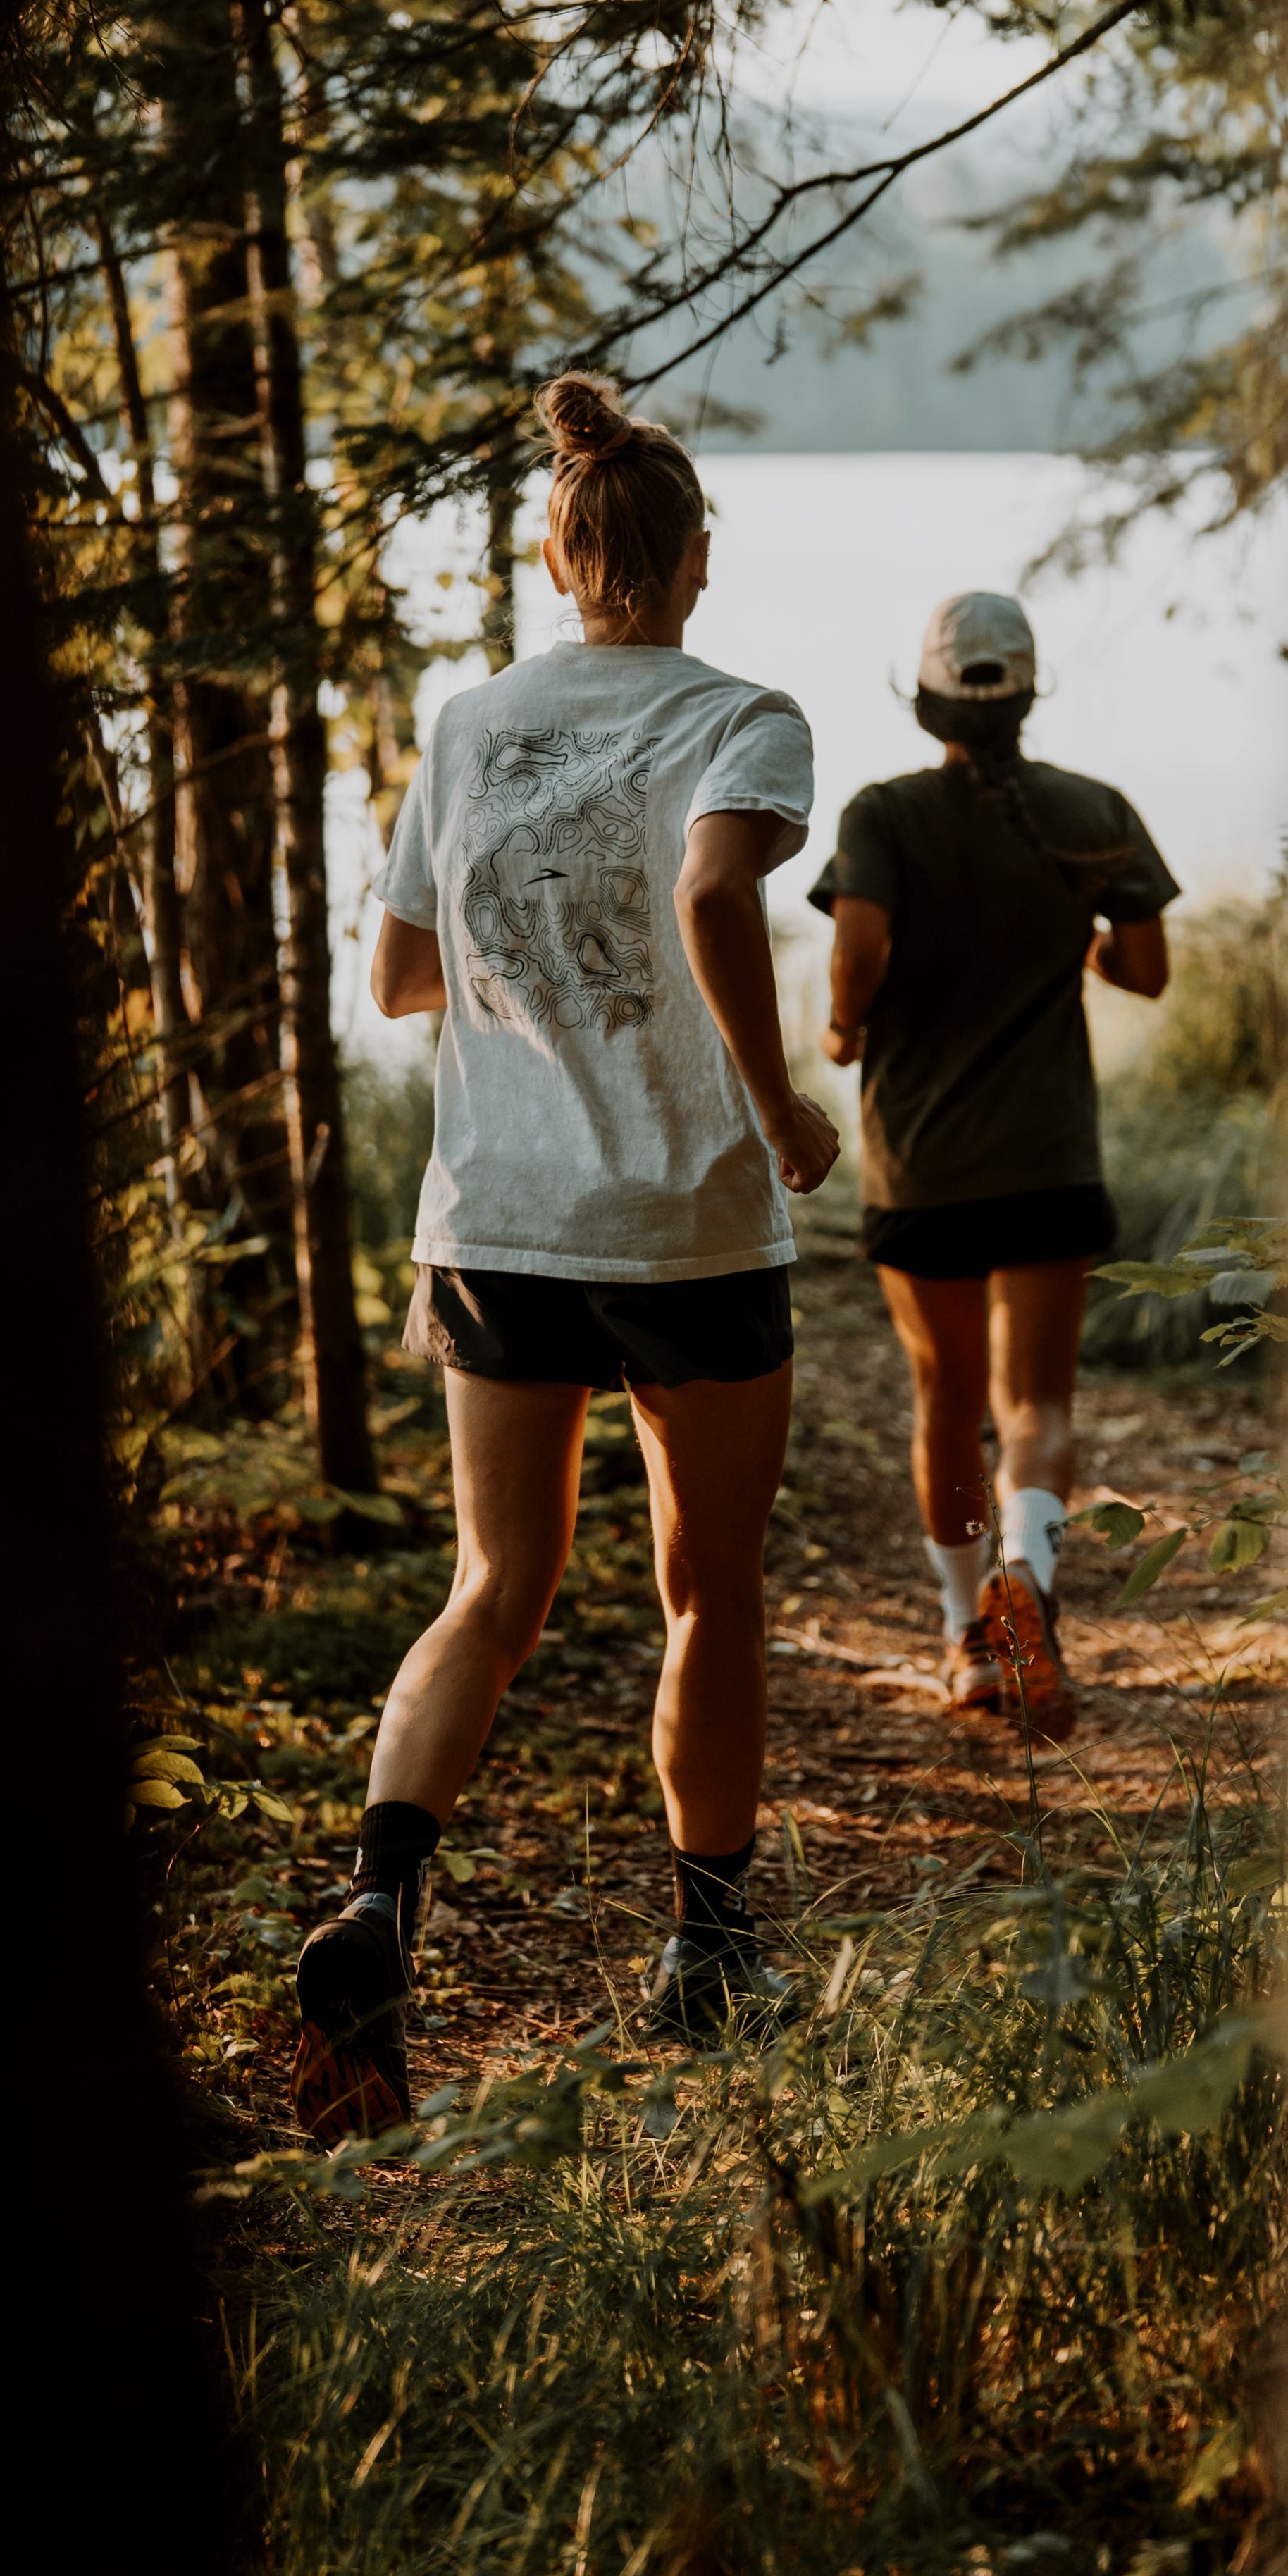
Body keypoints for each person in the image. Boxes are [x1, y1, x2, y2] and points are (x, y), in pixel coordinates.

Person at [291, 371, 842, 2146]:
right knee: (709, 1593)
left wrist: (533, 984)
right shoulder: (744, 714)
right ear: (691, 559)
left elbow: (395, 981)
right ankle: (712, 1947)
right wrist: (775, 1103)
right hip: (682, 1222)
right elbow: (706, 899)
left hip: (498, 1222)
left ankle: (380, 1899)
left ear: (558, 558)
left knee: (495, 1591)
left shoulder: (465, 729)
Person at [811, 590, 1176, 1740]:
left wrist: (840, 1028)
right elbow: (1148, 966)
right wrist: (1076, 944)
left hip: (922, 1166)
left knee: (947, 1401)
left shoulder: (885, 815)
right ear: (1026, 693)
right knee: (1038, 1405)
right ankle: (1035, 1579)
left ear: (928, 700)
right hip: (1048, 1158)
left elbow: (859, 945)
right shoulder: (1093, 811)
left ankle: (971, 1637)